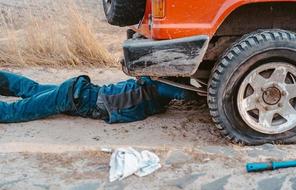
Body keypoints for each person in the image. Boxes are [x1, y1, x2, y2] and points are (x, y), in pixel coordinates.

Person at [0, 70, 198, 123]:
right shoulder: (159, 87)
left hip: (81, 93)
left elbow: (182, 92)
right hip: (80, 97)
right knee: (18, 110)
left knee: (32, 90)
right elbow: (185, 93)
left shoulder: (153, 87)